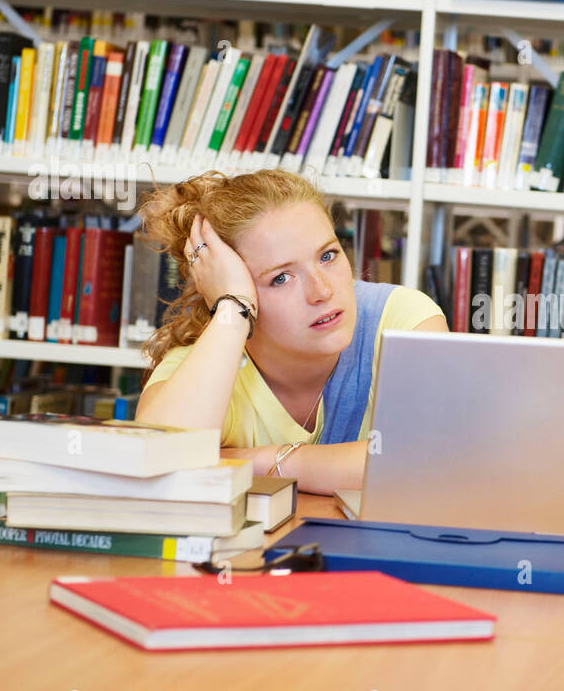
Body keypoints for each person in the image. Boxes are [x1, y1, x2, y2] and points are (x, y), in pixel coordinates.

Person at [135, 170, 448, 494]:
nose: (322, 291)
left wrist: (265, 462)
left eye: (328, 256)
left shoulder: (402, 321)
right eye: (281, 278)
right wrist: (232, 307)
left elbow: (428, 462)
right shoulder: (206, 364)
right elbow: (158, 462)